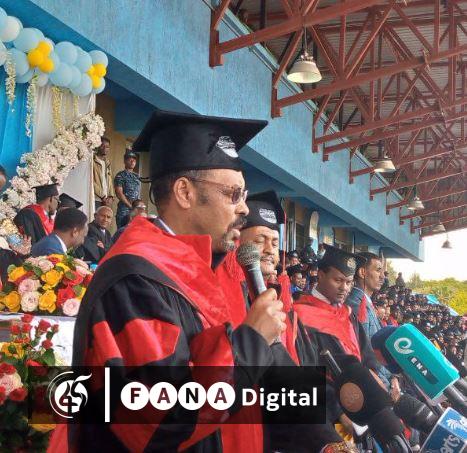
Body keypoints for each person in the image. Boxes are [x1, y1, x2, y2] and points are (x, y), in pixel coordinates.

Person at [65, 109, 289, 452]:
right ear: (184, 192)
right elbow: (156, 419)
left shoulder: (197, 268)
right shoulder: (135, 279)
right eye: (233, 194)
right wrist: (252, 342)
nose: (244, 209)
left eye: (244, 196)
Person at [293, 245, 380, 436]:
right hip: (328, 413)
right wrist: (338, 412)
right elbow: (307, 373)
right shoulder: (300, 316)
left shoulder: (348, 313)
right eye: (338, 280)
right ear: (320, 275)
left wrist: (374, 384)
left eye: (349, 282)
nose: (344, 288)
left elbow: (366, 355)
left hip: (361, 404)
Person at [114, 150, 141, 228]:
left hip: (135, 209)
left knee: (133, 232)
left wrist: (136, 207)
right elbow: (119, 193)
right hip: (124, 210)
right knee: (122, 231)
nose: (132, 162)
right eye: (130, 159)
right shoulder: (120, 175)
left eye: (134, 160)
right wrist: (130, 206)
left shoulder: (137, 176)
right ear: (125, 161)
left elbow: (137, 193)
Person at [93, 137, 115, 210]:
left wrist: (111, 196)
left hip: (107, 200)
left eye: (107, 147)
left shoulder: (107, 162)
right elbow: (91, 181)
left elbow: (110, 180)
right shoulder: (92, 161)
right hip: (96, 198)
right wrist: (102, 196)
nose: (105, 148)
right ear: (98, 146)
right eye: (102, 146)